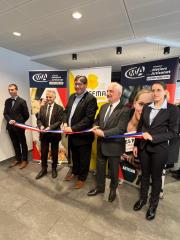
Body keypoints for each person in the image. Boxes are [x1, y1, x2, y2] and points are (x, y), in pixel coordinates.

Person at [133, 81, 179, 220]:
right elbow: (140, 128)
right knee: (145, 175)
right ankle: (142, 199)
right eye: (153, 90)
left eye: (159, 90)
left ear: (165, 92)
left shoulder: (172, 109)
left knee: (157, 178)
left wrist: (153, 137)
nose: (155, 93)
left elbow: (173, 132)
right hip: (144, 148)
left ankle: (153, 206)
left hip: (159, 149)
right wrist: (136, 144)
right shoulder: (147, 107)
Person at [87, 82, 129, 202]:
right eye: (108, 91)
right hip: (101, 144)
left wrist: (104, 133)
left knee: (114, 171)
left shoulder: (125, 109)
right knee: (100, 168)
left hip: (114, 145)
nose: (108, 93)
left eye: (111, 91)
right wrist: (95, 126)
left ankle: (112, 190)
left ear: (119, 94)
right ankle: (100, 188)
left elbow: (120, 129)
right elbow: (97, 120)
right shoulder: (104, 106)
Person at [63, 75, 98, 189]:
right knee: (75, 156)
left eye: (80, 84)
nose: (77, 86)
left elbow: (88, 120)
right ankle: (75, 172)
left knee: (84, 158)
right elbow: (66, 111)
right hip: (72, 135)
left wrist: (72, 128)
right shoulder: (72, 96)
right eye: (76, 84)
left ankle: (82, 178)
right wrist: (64, 122)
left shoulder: (91, 99)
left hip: (83, 137)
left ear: (85, 85)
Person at [120, 89, 153, 184]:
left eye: (148, 106)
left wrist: (136, 158)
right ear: (134, 103)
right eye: (141, 104)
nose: (143, 110)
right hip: (117, 169)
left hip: (135, 176)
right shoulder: (123, 116)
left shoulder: (149, 128)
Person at [35, 90, 63, 179]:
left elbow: (59, 121)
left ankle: (54, 169)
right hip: (44, 135)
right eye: (47, 97)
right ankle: (44, 169)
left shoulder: (59, 108)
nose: (48, 99)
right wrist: (41, 126)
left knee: (54, 153)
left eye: (50, 97)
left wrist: (50, 127)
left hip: (54, 135)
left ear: (54, 98)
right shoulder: (42, 107)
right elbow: (38, 119)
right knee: (43, 152)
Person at [3, 84, 29, 169]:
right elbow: (5, 113)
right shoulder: (7, 101)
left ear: (16, 90)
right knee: (15, 143)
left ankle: (25, 160)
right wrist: (9, 120)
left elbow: (26, 115)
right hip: (10, 127)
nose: (11, 91)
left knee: (23, 144)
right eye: (9, 90)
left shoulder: (22, 101)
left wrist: (18, 122)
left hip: (19, 127)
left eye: (12, 89)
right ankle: (18, 159)